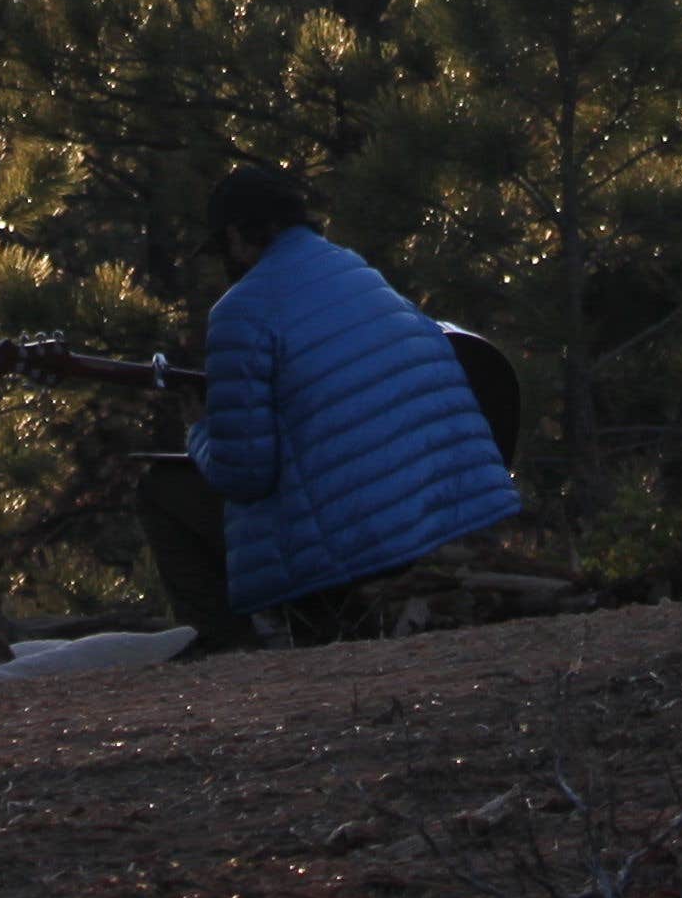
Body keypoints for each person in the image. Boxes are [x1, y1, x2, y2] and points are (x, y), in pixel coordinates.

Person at [132, 167, 518, 650]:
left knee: (159, 490)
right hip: (449, 515)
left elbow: (244, 475)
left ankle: (231, 650)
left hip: (361, 546)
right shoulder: (362, 274)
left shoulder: (240, 310)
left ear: (236, 234)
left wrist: (199, 429)